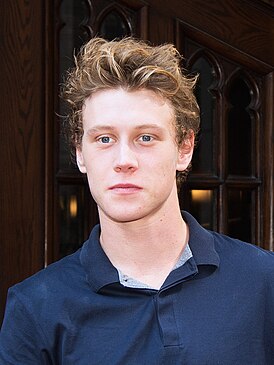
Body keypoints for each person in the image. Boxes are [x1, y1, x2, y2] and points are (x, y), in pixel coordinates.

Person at [0, 37, 273, 365]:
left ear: (184, 148)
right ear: (79, 153)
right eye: (104, 139)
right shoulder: (35, 307)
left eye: (146, 137)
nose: (123, 160)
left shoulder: (264, 282)